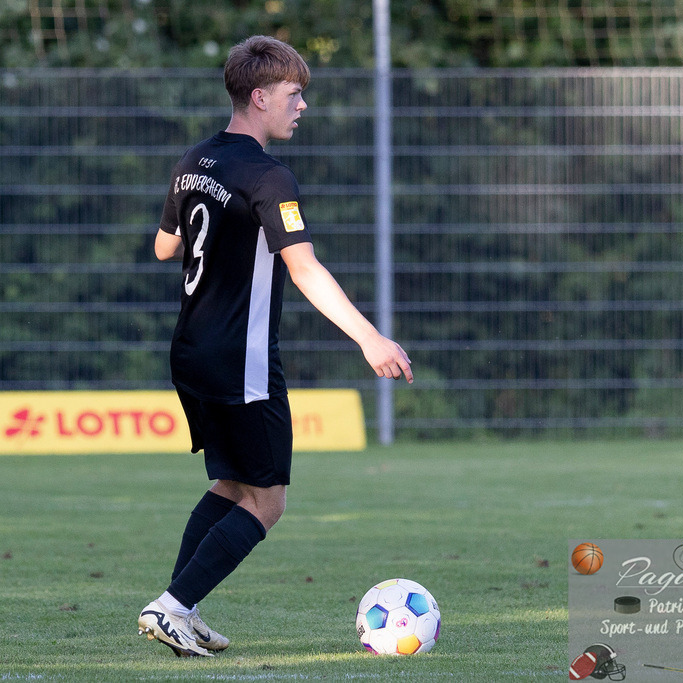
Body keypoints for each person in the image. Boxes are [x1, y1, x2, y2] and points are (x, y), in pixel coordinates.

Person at [138, 35, 413, 658]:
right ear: (259, 96)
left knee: (230, 487)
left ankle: (182, 606)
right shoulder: (267, 176)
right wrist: (370, 337)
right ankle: (173, 607)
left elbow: (163, 246)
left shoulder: (195, 159)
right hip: (242, 359)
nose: (301, 107)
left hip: (191, 351)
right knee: (267, 501)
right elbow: (305, 269)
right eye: (294, 95)